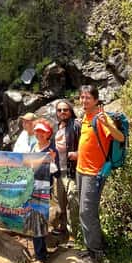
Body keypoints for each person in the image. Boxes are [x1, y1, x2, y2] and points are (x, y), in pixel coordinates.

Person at [74, 84, 125, 263]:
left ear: (96, 100)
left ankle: (95, 258)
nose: (84, 101)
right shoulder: (86, 118)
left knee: (86, 212)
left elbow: (120, 138)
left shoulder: (102, 118)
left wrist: (108, 124)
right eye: (81, 97)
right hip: (81, 170)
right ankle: (93, 248)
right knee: (85, 211)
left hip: (93, 174)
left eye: (88, 98)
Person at [30, 119, 59, 263]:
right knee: (35, 221)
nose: (39, 134)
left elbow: (56, 173)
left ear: (48, 133)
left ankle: (40, 255)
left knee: (38, 221)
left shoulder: (51, 150)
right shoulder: (33, 146)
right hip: (31, 187)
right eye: (37, 131)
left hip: (44, 190)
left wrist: (52, 161)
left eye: (42, 131)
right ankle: (40, 252)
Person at [53, 99, 81, 239]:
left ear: (70, 111)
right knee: (61, 202)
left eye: (65, 110)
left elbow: (85, 144)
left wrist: (78, 154)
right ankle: (63, 228)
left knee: (73, 200)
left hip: (72, 169)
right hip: (58, 171)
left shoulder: (76, 125)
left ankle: (74, 234)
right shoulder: (56, 127)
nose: (62, 112)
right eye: (59, 110)